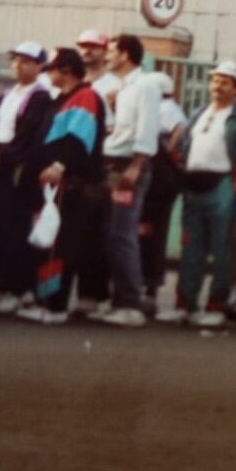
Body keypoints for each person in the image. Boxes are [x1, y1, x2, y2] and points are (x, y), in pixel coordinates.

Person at [161, 61, 236, 327]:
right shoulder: (199, 112)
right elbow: (183, 145)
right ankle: (185, 304)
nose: (218, 86)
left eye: (225, 82)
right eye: (215, 80)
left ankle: (216, 304)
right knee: (191, 247)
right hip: (193, 185)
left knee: (222, 248)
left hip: (223, 185)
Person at [18, 48, 107, 324]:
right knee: (49, 242)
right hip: (52, 183)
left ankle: (54, 305)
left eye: (52, 70)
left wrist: (60, 166)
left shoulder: (85, 97)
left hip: (67, 184)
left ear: (66, 70)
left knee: (59, 245)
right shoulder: (64, 99)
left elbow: (79, 140)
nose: (49, 75)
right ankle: (46, 299)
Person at [0, 42, 55, 315]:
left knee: (15, 228)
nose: (19, 65)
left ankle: (16, 288)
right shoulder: (9, 93)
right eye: (16, 60)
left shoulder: (40, 97)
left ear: (40, 66)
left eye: (27, 61)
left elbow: (26, 137)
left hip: (18, 167)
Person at [98, 33, 161, 327]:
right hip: (113, 164)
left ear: (125, 54)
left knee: (123, 235)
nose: (106, 56)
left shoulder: (145, 85)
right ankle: (118, 299)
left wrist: (136, 167)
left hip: (128, 167)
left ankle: (131, 303)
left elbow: (147, 129)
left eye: (110, 51)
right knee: (112, 234)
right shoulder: (122, 88)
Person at [139, 71, 187, 315]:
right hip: (159, 182)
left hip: (160, 182)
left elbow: (180, 128)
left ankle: (149, 288)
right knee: (149, 233)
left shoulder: (166, 107)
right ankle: (148, 286)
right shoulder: (165, 106)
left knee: (151, 233)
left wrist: (169, 149)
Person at [77, 29, 118, 130]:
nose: (87, 51)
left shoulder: (115, 83)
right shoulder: (71, 80)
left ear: (105, 51)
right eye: (83, 46)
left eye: (94, 46)